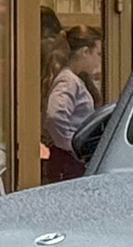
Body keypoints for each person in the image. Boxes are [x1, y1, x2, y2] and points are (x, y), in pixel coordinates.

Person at [43, 28, 102, 180]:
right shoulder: (68, 81)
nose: (99, 60)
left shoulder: (74, 79)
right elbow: (55, 115)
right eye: (98, 54)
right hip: (68, 159)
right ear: (85, 52)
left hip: (69, 158)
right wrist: (70, 144)